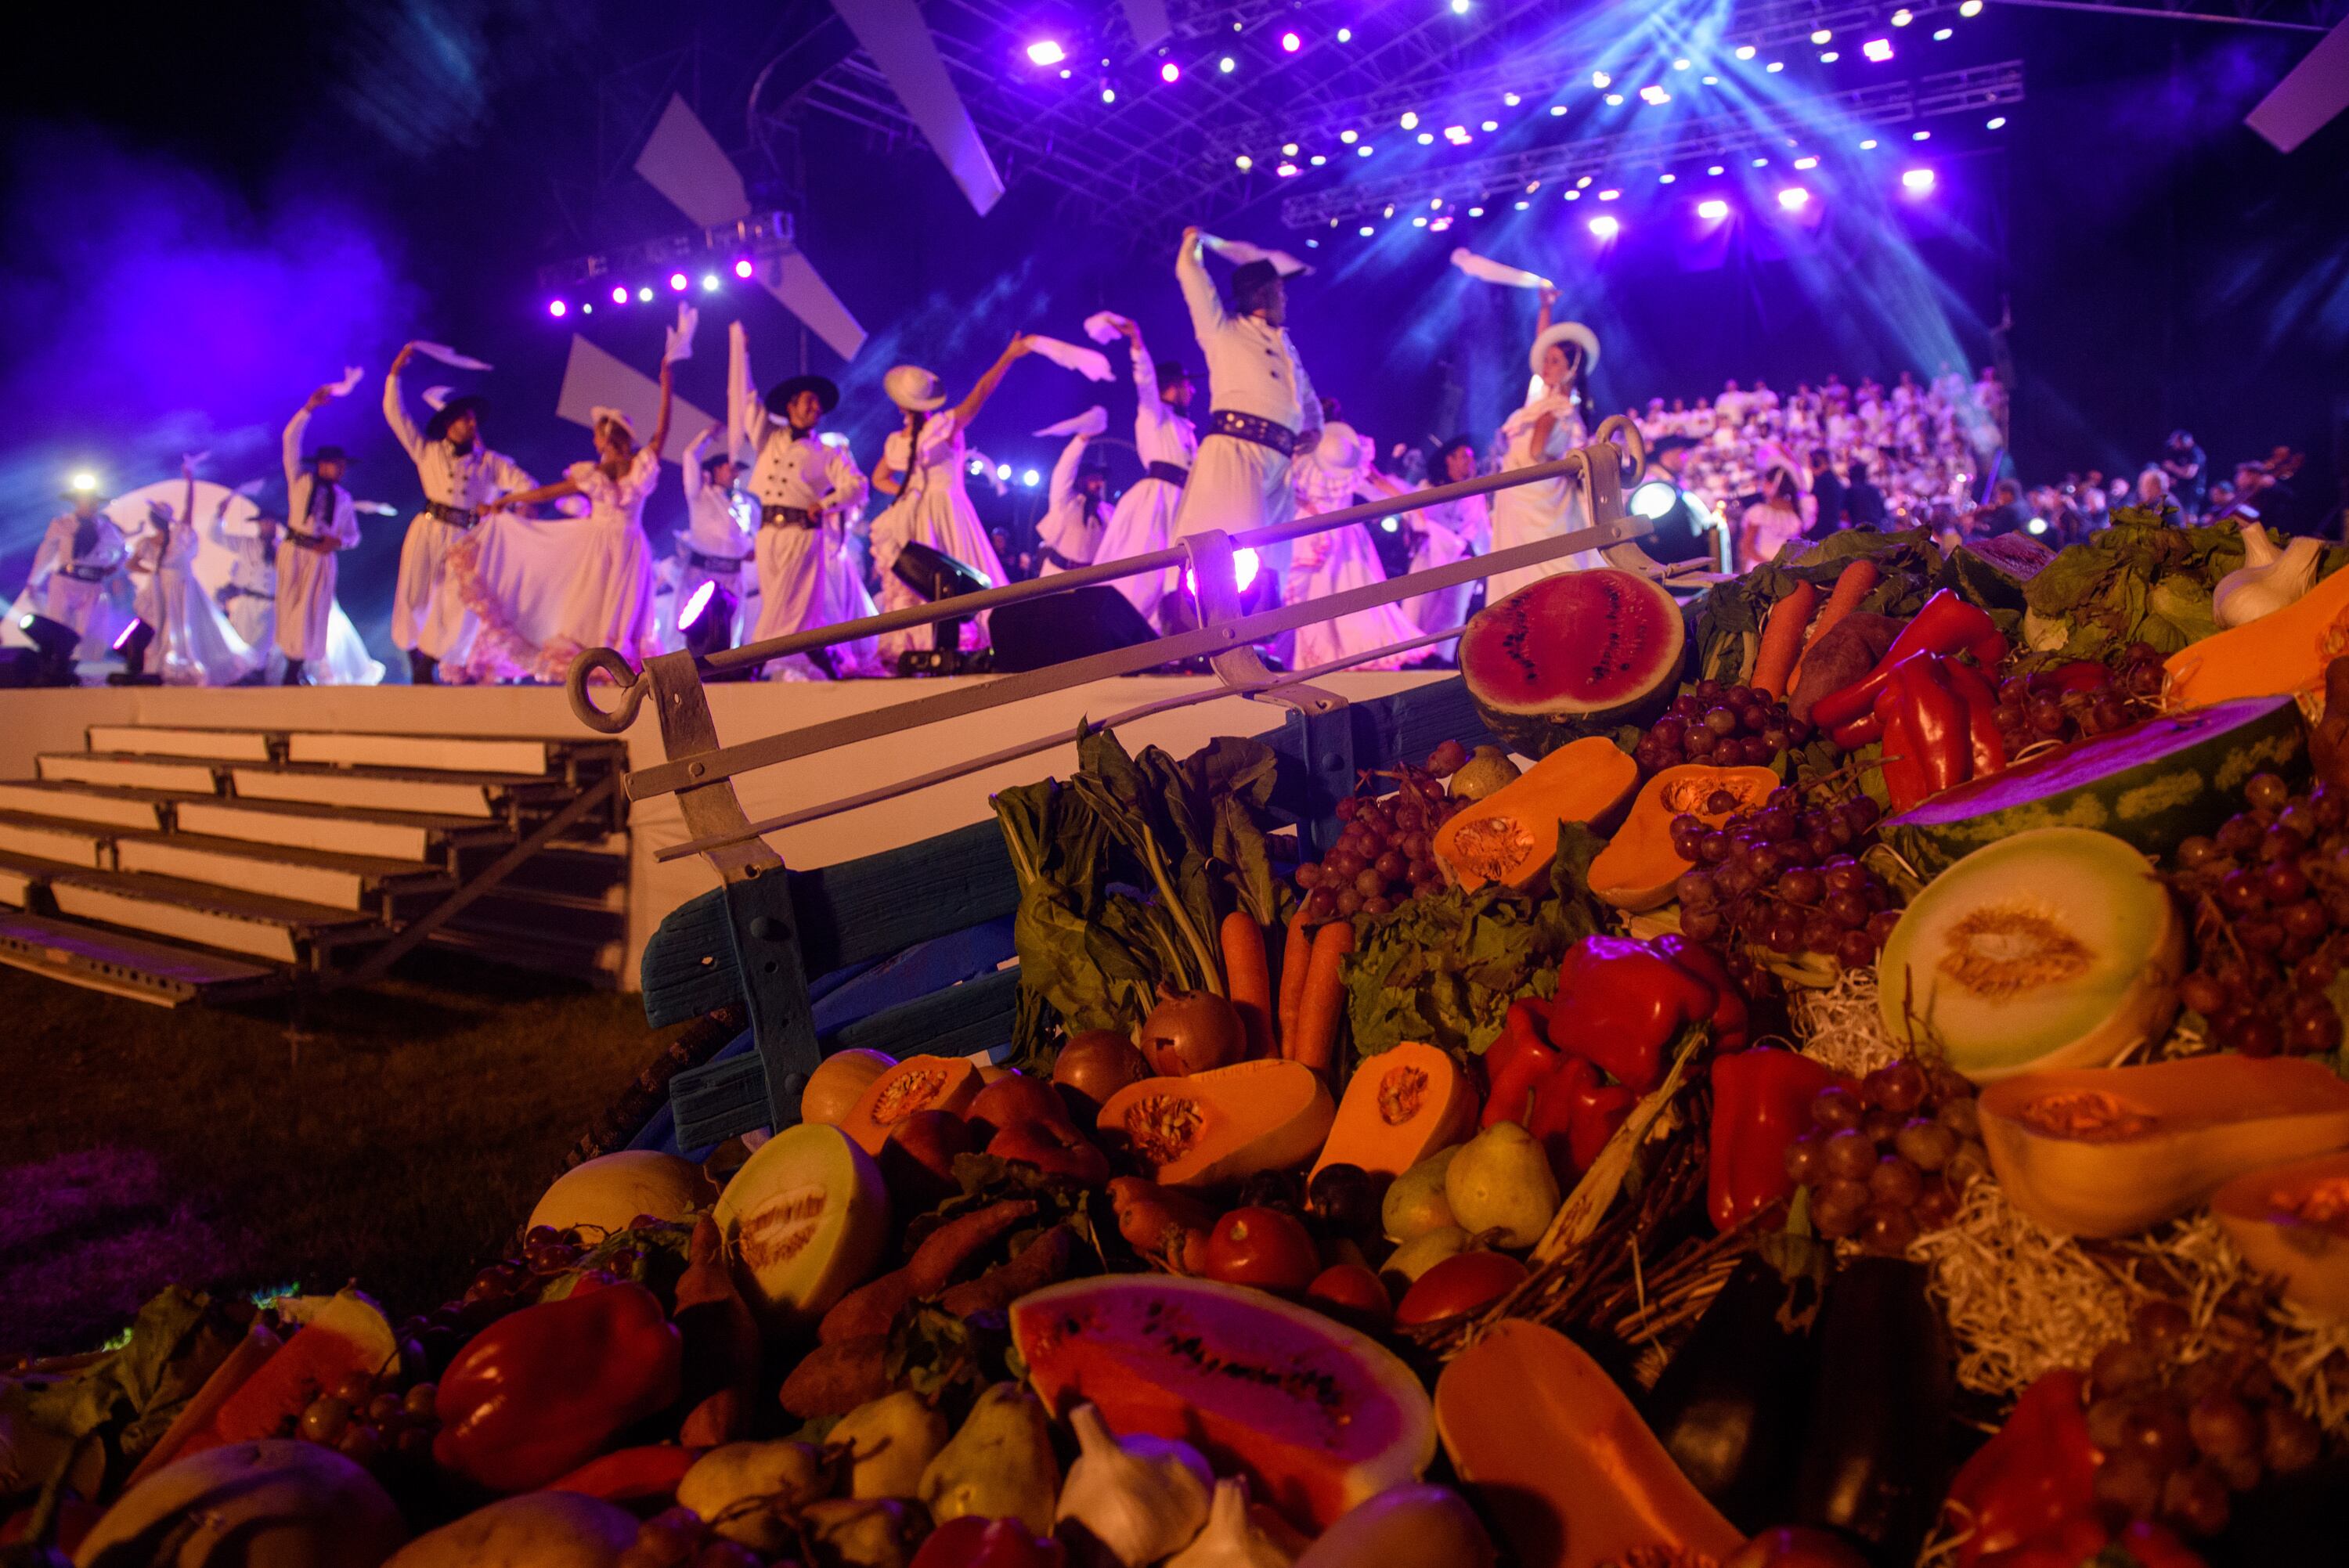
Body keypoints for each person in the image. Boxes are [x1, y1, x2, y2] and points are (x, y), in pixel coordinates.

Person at [471, 358, 674, 677]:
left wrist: (667, 382)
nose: (594, 440)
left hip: (623, 546)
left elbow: (546, 493)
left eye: (596, 435)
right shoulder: (603, 472)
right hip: (620, 543)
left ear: (606, 438)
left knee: (614, 608)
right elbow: (547, 493)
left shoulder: (634, 468)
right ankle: (597, 668)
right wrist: (666, 382)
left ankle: (611, 667)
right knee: (596, 606)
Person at [1167, 229, 1322, 615]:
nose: (1284, 298)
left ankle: (1259, 643)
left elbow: (1308, 399)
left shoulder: (1286, 346)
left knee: (1273, 554)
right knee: (1230, 546)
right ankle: (1204, 638)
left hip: (1281, 463)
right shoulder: (1223, 331)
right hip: (1237, 452)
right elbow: (1191, 275)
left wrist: (1315, 429)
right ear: (1262, 293)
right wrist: (1194, 242)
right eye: (1279, 291)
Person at [869, 341, 1029, 663]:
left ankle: (957, 644)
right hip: (924, 515)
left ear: (900, 405)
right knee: (924, 580)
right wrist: (909, 494)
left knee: (960, 576)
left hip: (945, 513)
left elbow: (981, 392)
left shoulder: (945, 426)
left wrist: (907, 492)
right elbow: (879, 478)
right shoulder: (913, 436)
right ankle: (925, 647)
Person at [384, 346, 535, 684]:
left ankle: (430, 662)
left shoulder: (490, 463)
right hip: (427, 529)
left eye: (473, 419)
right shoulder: (428, 452)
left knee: (457, 604)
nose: (471, 423)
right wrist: (395, 373)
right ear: (450, 424)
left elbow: (525, 484)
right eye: (465, 418)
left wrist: (510, 505)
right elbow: (397, 416)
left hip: (467, 538)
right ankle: (414, 656)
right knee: (414, 595)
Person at [728, 326, 871, 677]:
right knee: (789, 607)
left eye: (817, 403)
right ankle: (822, 658)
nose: (815, 407)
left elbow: (858, 486)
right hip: (768, 534)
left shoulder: (827, 452)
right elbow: (747, 401)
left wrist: (825, 505)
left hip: (802, 534)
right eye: (808, 400)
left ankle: (753, 665)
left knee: (785, 606)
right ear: (790, 406)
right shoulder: (770, 439)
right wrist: (741, 353)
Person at [1487, 286, 1600, 601]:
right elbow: (1544, 343)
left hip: (1537, 492)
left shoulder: (1560, 410)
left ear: (1571, 370)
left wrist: (1540, 448)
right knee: (1522, 565)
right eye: (1546, 361)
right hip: (1522, 493)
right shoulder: (1543, 397)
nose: (1545, 366)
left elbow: (1538, 449)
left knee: (1543, 565)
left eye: (1554, 362)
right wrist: (1546, 307)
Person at [1285, 421, 1427, 672]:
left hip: (1344, 540)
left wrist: (1414, 508)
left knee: (1350, 600)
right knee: (1317, 602)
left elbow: (1379, 485)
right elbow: (1287, 491)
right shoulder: (1301, 463)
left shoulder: (1347, 463)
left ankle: (1346, 656)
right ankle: (1318, 658)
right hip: (1317, 537)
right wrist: (1309, 509)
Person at [1093, 316, 1196, 622]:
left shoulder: (1184, 426)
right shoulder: (1154, 414)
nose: (1192, 391)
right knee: (1145, 574)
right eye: (1187, 384)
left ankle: (1162, 640)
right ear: (1173, 386)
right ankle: (1120, 633)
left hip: (1182, 503)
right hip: (1157, 501)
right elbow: (1146, 384)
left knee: (1175, 577)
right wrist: (1137, 343)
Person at [129, 459, 263, 686]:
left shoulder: (179, 536)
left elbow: (188, 509)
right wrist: (156, 572)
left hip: (183, 587)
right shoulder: (148, 543)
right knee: (163, 627)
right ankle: (163, 666)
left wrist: (190, 479)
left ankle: (186, 666)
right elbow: (131, 564)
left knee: (185, 626)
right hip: (162, 587)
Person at [276, 380, 363, 685]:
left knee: (312, 612)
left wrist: (337, 541)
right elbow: (290, 441)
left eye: (342, 466)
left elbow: (354, 536)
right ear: (323, 464)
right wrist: (309, 409)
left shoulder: (343, 498)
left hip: (320, 556)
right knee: (289, 606)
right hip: (294, 549)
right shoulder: (300, 480)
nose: (340, 470)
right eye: (336, 465)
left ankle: (298, 667)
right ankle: (290, 664)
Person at [1399, 435, 1490, 658]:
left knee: (1452, 613)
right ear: (1448, 460)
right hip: (1430, 555)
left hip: (1461, 560)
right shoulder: (1428, 488)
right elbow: (1415, 518)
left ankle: (1440, 659)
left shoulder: (1475, 493)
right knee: (1419, 606)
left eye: (1471, 458)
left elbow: (1481, 531)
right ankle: (1413, 656)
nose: (1470, 462)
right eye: (1463, 457)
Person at [673, 422, 755, 651]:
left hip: (733, 575)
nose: (736, 473)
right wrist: (707, 435)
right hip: (703, 573)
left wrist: (749, 549)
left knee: (730, 633)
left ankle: (726, 677)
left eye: (738, 469)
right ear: (716, 470)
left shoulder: (743, 503)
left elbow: (748, 535)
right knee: (694, 632)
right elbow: (690, 456)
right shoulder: (700, 493)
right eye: (731, 467)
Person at [23, 479, 128, 658]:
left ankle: (82, 668)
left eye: (95, 501)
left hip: (92, 584)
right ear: (78, 502)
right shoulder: (63, 524)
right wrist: (34, 581)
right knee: (59, 624)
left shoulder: (106, 528)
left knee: (87, 629)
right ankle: (55, 666)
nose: (93, 505)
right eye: (88, 501)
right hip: (66, 581)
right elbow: (46, 553)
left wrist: (114, 566)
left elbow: (122, 551)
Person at [1037, 424, 1108, 575]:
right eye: (1094, 479)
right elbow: (1064, 471)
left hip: (1088, 581)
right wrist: (1081, 440)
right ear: (1082, 481)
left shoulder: (1106, 512)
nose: (1099, 484)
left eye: (1101, 480)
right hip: (1057, 574)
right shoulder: (1066, 501)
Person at [1736, 452, 1810, 568]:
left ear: (1774, 485)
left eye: (1766, 482)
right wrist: (1770, 567)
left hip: (1787, 569)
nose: (1763, 485)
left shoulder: (1797, 510)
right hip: (1762, 569)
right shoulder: (1760, 512)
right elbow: (1747, 547)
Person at [2161, 430, 2206, 521]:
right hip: (2180, 490)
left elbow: (2189, 474)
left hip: (2191, 491)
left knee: (2188, 516)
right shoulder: (2178, 452)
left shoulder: (2195, 453)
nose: (2174, 446)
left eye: (2176, 442)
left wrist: (2172, 467)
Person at [1807, 449, 1847, 537]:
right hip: (1831, 532)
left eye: (1811, 463)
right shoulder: (1834, 480)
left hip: (1820, 534)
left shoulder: (1823, 481)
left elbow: (1814, 510)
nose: (1810, 467)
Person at [1843, 458, 1889, 528]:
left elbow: (1844, 513)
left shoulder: (1850, 491)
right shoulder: (1875, 490)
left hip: (1859, 532)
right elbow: (1883, 513)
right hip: (1877, 529)